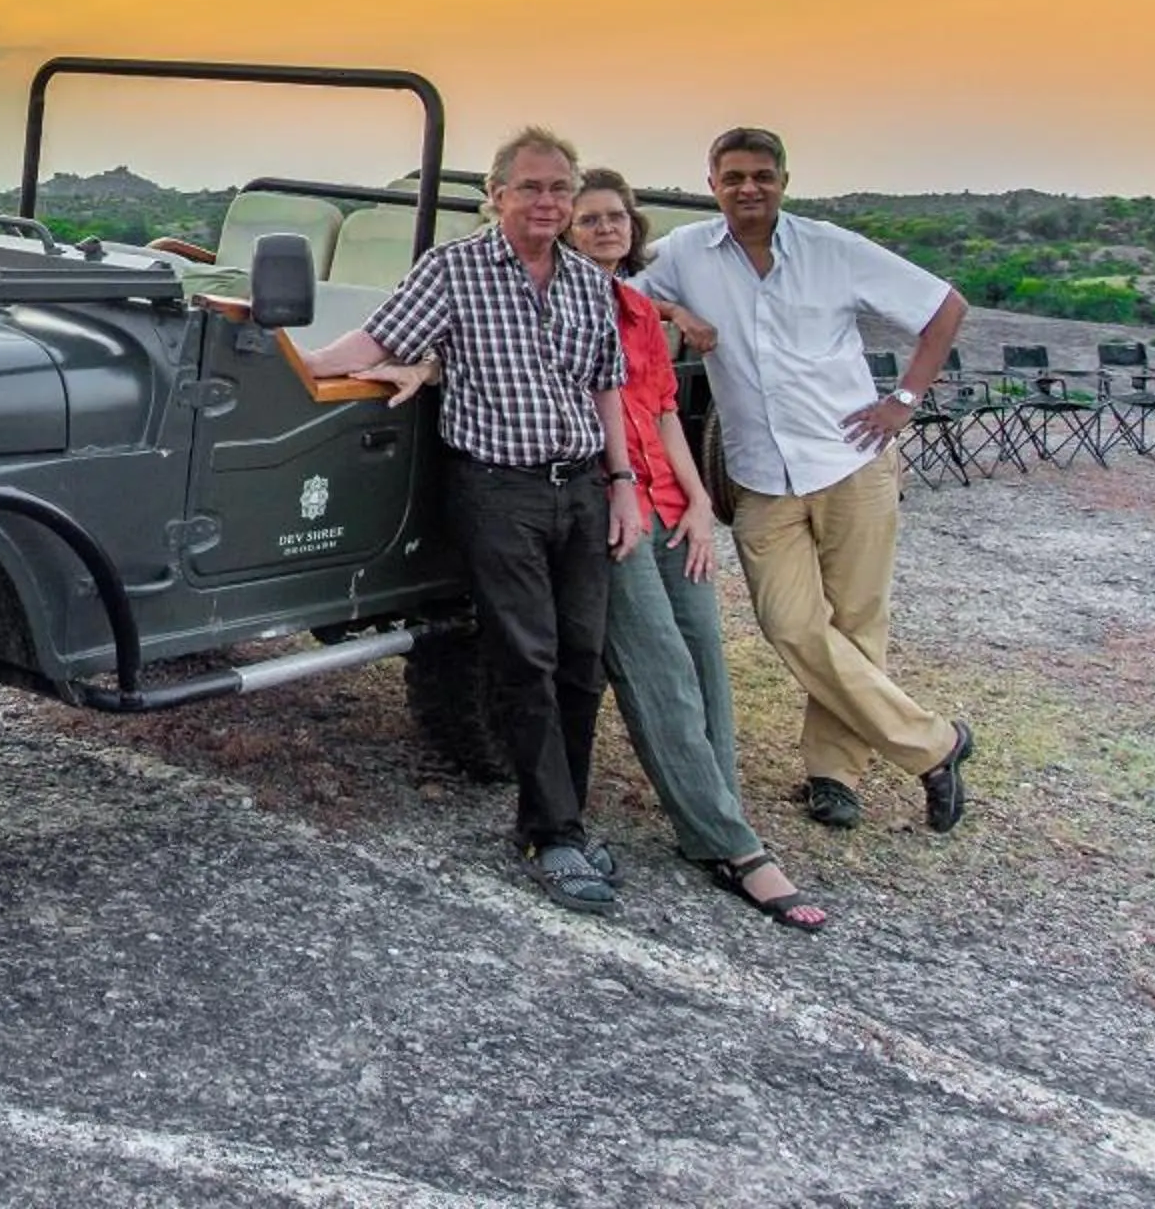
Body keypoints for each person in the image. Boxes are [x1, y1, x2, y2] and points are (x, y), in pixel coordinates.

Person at [298, 127, 647, 913]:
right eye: (530, 187)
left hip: (581, 485)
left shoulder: (589, 283)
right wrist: (305, 362)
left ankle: (570, 819)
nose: (547, 202)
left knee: (582, 660)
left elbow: (606, 388)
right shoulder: (455, 270)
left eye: (560, 188)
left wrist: (622, 483)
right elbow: (380, 336)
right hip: (499, 489)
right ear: (495, 197)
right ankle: (550, 835)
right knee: (525, 656)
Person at [639, 127, 976, 833]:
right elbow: (617, 295)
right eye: (733, 177)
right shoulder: (684, 255)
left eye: (762, 175)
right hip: (760, 474)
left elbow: (944, 308)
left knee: (855, 624)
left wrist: (904, 402)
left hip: (851, 460)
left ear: (784, 181)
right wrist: (675, 310)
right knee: (789, 622)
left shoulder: (834, 250)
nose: (748, 188)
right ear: (712, 183)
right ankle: (935, 745)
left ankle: (834, 776)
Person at [567, 168, 825, 930]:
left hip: (668, 495)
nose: (606, 229)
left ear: (633, 227)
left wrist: (701, 498)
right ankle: (734, 847)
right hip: (608, 498)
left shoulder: (643, 309)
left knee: (706, 653)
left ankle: (720, 813)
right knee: (657, 667)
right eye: (589, 220)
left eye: (616, 217)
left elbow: (668, 411)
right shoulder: (555, 302)